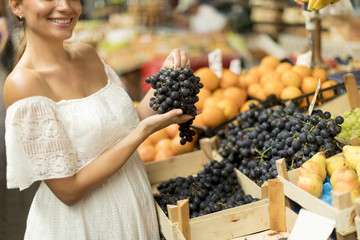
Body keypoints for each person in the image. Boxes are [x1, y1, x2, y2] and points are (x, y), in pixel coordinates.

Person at [4, 0, 196, 239]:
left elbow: (121, 126)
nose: (65, 6)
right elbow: (69, 191)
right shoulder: (23, 84)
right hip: (84, 226)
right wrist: (142, 133)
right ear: (16, 6)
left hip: (134, 207)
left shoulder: (87, 54)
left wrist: (166, 82)